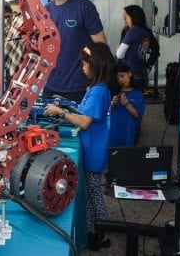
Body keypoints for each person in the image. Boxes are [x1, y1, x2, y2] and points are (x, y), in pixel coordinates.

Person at [43, 42, 115, 252]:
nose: (82, 68)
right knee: (91, 191)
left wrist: (61, 112)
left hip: (94, 152)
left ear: (95, 64)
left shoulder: (99, 92)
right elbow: (84, 110)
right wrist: (65, 104)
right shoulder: (97, 89)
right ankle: (92, 227)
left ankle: (101, 230)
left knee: (93, 192)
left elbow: (85, 122)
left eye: (85, 64)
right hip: (94, 149)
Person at [39, 0, 107, 102]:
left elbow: (101, 47)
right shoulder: (45, 11)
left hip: (79, 88)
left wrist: (95, 82)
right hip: (50, 86)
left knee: (79, 125)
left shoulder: (84, 7)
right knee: (46, 125)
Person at [109, 61, 145, 147]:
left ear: (129, 73)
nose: (120, 80)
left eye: (122, 76)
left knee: (127, 155)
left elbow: (137, 115)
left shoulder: (137, 94)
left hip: (129, 132)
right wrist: (112, 104)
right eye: (117, 78)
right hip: (113, 132)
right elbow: (106, 111)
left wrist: (127, 105)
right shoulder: (114, 92)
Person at [116, 5, 151, 91]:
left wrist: (118, 48)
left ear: (133, 17)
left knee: (129, 100)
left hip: (131, 74)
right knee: (138, 99)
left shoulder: (132, 32)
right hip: (142, 73)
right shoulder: (146, 32)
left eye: (126, 16)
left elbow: (119, 55)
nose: (124, 19)